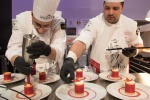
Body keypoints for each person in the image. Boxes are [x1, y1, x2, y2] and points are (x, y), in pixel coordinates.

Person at [60, 0, 143, 83]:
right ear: (103, 7)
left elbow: (139, 44)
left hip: (121, 77)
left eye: (115, 8)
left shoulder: (131, 24)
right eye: (107, 8)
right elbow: (82, 41)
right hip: (97, 76)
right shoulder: (95, 23)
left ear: (122, 8)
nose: (110, 12)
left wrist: (135, 51)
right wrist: (70, 58)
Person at [5, 0, 66, 75]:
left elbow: (60, 50)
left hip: (53, 73)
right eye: (37, 24)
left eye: (46, 25)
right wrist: (16, 60)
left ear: (52, 18)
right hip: (28, 73)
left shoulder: (60, 23)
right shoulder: (22, 19)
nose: (41, 30)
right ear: (32, 15)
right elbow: (13, 47)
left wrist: (47, 50)